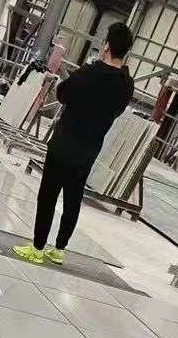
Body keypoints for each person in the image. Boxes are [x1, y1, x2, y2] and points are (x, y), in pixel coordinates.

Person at [15, 21, 134, 267]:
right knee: (73, 198)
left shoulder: (89, 72)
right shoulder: (126, 83)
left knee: (48, 195)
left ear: (107, 46)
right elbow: (118, 110)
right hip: (89, 149)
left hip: (64, 143)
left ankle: (37, 248)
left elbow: (62, 93)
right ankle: (59, 249)